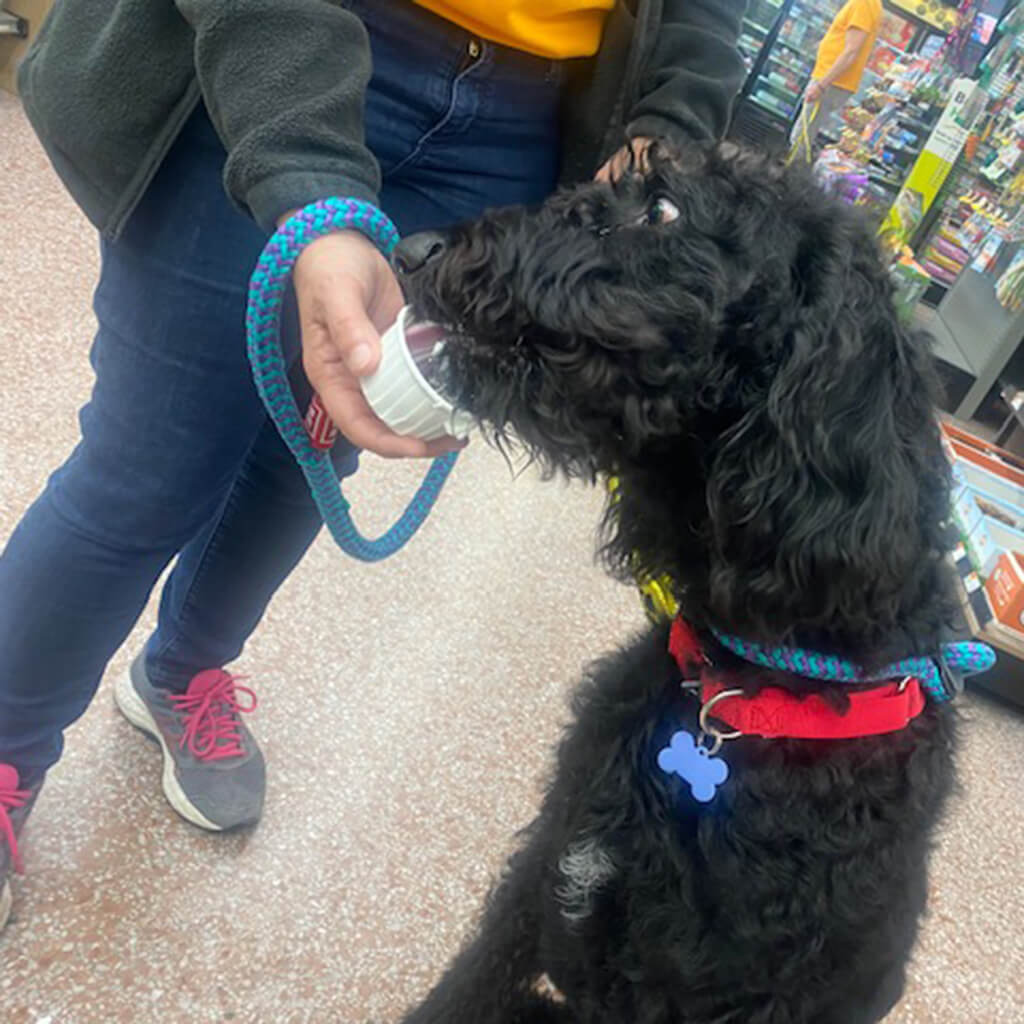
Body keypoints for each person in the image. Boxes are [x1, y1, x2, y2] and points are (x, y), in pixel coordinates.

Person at [0, 0, 745, 931]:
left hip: (524, 116)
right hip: (279, 38)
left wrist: (665, 128)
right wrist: (305, 174)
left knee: (312, 453)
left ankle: (183, 671)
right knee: (150, 466)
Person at [792, 0, 883, 154]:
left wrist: (821, 85)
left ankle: (789, 175)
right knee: (803, 136)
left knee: (800, 140)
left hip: (832, 83)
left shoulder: (865, 3)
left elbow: (851, 52)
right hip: (832, 81)